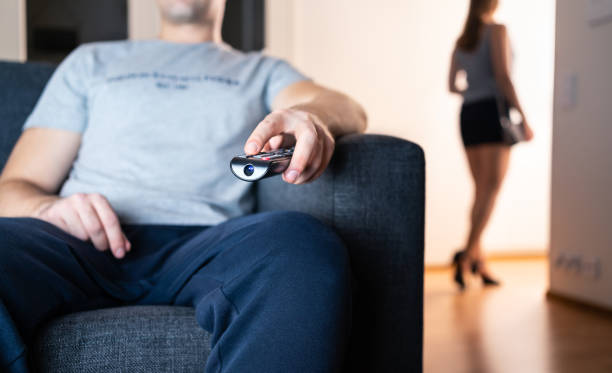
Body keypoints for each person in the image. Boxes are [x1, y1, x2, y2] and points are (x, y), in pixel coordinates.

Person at [0, 0, 367, 371]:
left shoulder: (262, 69)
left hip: (208, 246)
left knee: (301, 244)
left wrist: (314, 119)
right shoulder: (91, 61)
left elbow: (346, 107)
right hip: (78, 242)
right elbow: (13, 186)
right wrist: (44, 208)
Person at [448, 0, 534, 290]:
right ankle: (466, 254)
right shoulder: (497, 30)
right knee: (491, 188)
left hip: (469, 114)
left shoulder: (462, 39)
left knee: (480, 191)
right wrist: (523, 117)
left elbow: (451, 85)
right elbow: (503, 76)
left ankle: (479, 263)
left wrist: (472, 89)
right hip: (492, 112)